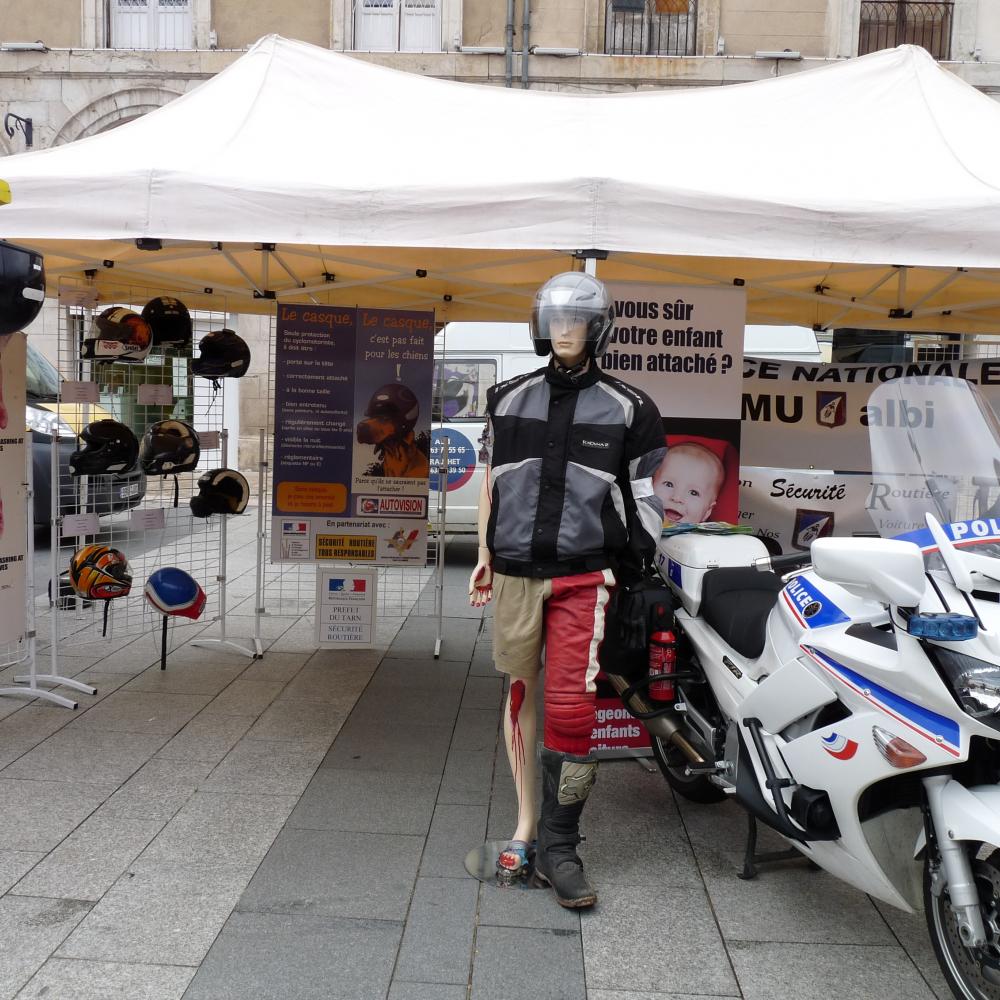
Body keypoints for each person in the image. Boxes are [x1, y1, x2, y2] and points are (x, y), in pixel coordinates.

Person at [468, 271, 665, 908]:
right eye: (555, 319)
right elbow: (493, 486)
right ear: (540, 325)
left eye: (577, 320)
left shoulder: (630, 407)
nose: (565, 330)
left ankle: (560, 843)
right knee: (519, 691)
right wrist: (482, 554)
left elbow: (643, 501)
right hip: (517, 573)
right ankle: (525, 823)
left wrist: (641, 566)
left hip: (584, 576)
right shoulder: (506, 397)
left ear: (598, 327)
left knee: (573, 708)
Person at [653, 441, 725, 524]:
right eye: (669, 484)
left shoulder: (704, 536)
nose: (677, 498)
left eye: (693, 493)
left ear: (707, 511)